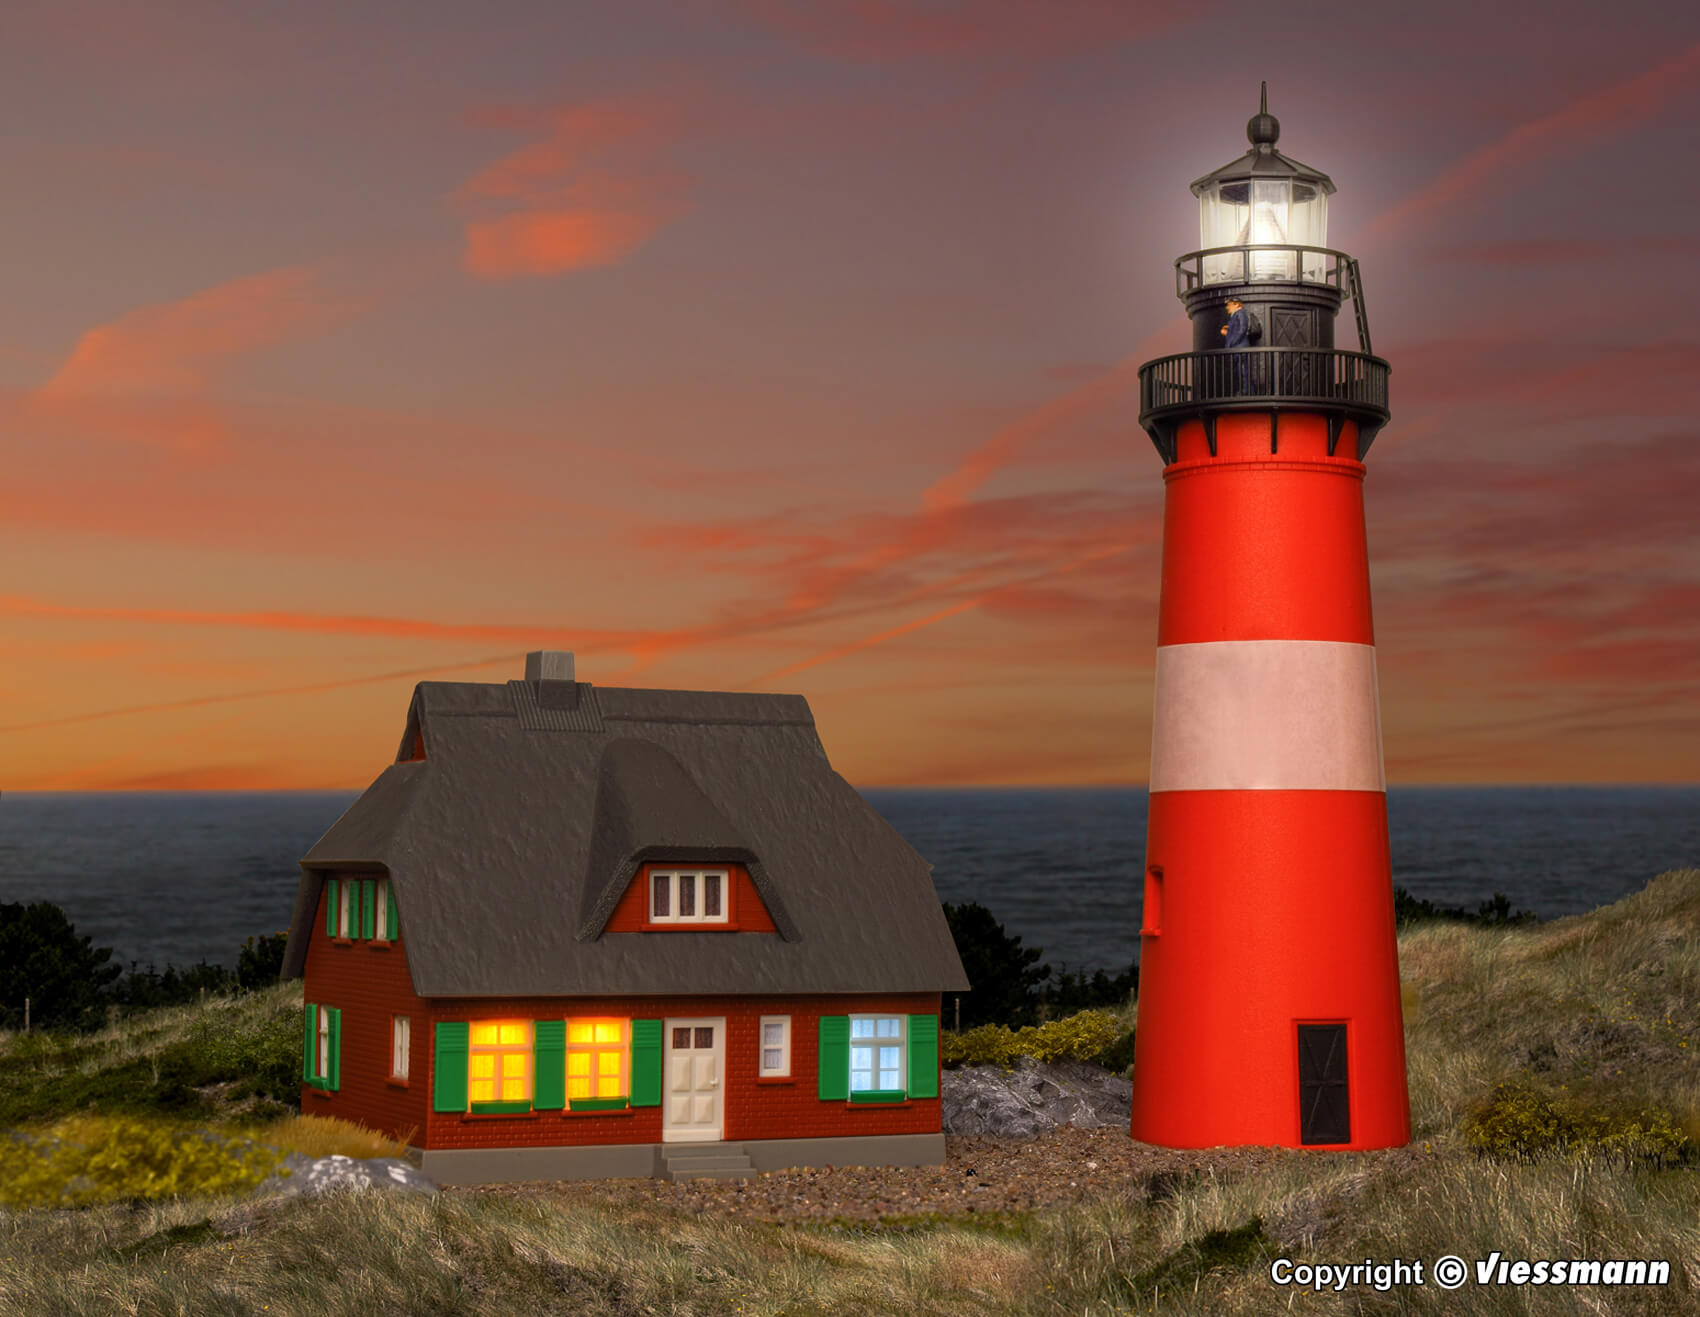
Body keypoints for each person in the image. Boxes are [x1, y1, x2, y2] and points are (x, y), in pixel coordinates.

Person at [1219, 298, 1252, 394]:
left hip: (1240, 347)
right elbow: (1238, 329)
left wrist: (1232, 342)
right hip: (1237, 348)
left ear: (1237, 304)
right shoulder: (1235, 315)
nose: (1227, 307)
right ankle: (1244, 390)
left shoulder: (1240, 313)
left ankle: (1246, 391)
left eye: (1229, 305)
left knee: (1242, 370)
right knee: (1239, 370)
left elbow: (1242, 329)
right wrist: (1228, 332)